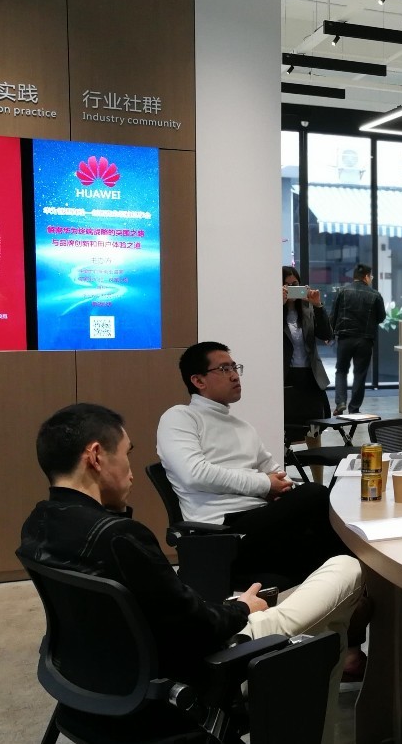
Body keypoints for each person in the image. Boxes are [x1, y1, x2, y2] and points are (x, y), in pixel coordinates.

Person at [18, 403, 363, 738]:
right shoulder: (119, 538)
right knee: (346, 570)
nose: (131, 472)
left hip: (97, 681)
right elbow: (200, 628)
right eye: (126, 455)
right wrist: (242, 609)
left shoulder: (38, 523)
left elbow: (168, 608)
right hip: (195, 670)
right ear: (95, 457)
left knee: (329, 632)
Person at [156, 341, 368, 675]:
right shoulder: (180, 418)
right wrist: (264, 485)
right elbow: (194, 473)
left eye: (235, 367)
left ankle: (339, 642)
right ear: (198, 380)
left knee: (331, 542)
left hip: (260, 524)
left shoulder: (242, 427)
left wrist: (281, 488)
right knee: (317, 497)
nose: (234, 375)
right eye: (224, 369)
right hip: (223, 530)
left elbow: (274, 473)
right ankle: (351, 635)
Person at [330, 263, 386, 415]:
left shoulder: (342, 291)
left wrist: (330, 335)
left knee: (341, 370)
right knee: (360, 374)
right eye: (371, 276)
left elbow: (334, 315)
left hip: (345, 338)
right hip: (365, 340)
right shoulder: (375, 295)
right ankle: (354, 408)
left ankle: (340, 402)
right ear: (366, 277)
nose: (371, 279)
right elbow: (381, 317)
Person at [282, 266, 332, 421]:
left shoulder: (307, 308)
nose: (291, 289)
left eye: (295, 284)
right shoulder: (272, 311)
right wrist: (279, 305)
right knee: (289, 425)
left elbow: (326, 334)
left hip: (311, 376)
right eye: (287, 285)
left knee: (316, 423)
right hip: (286, 376)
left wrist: (318, 306)